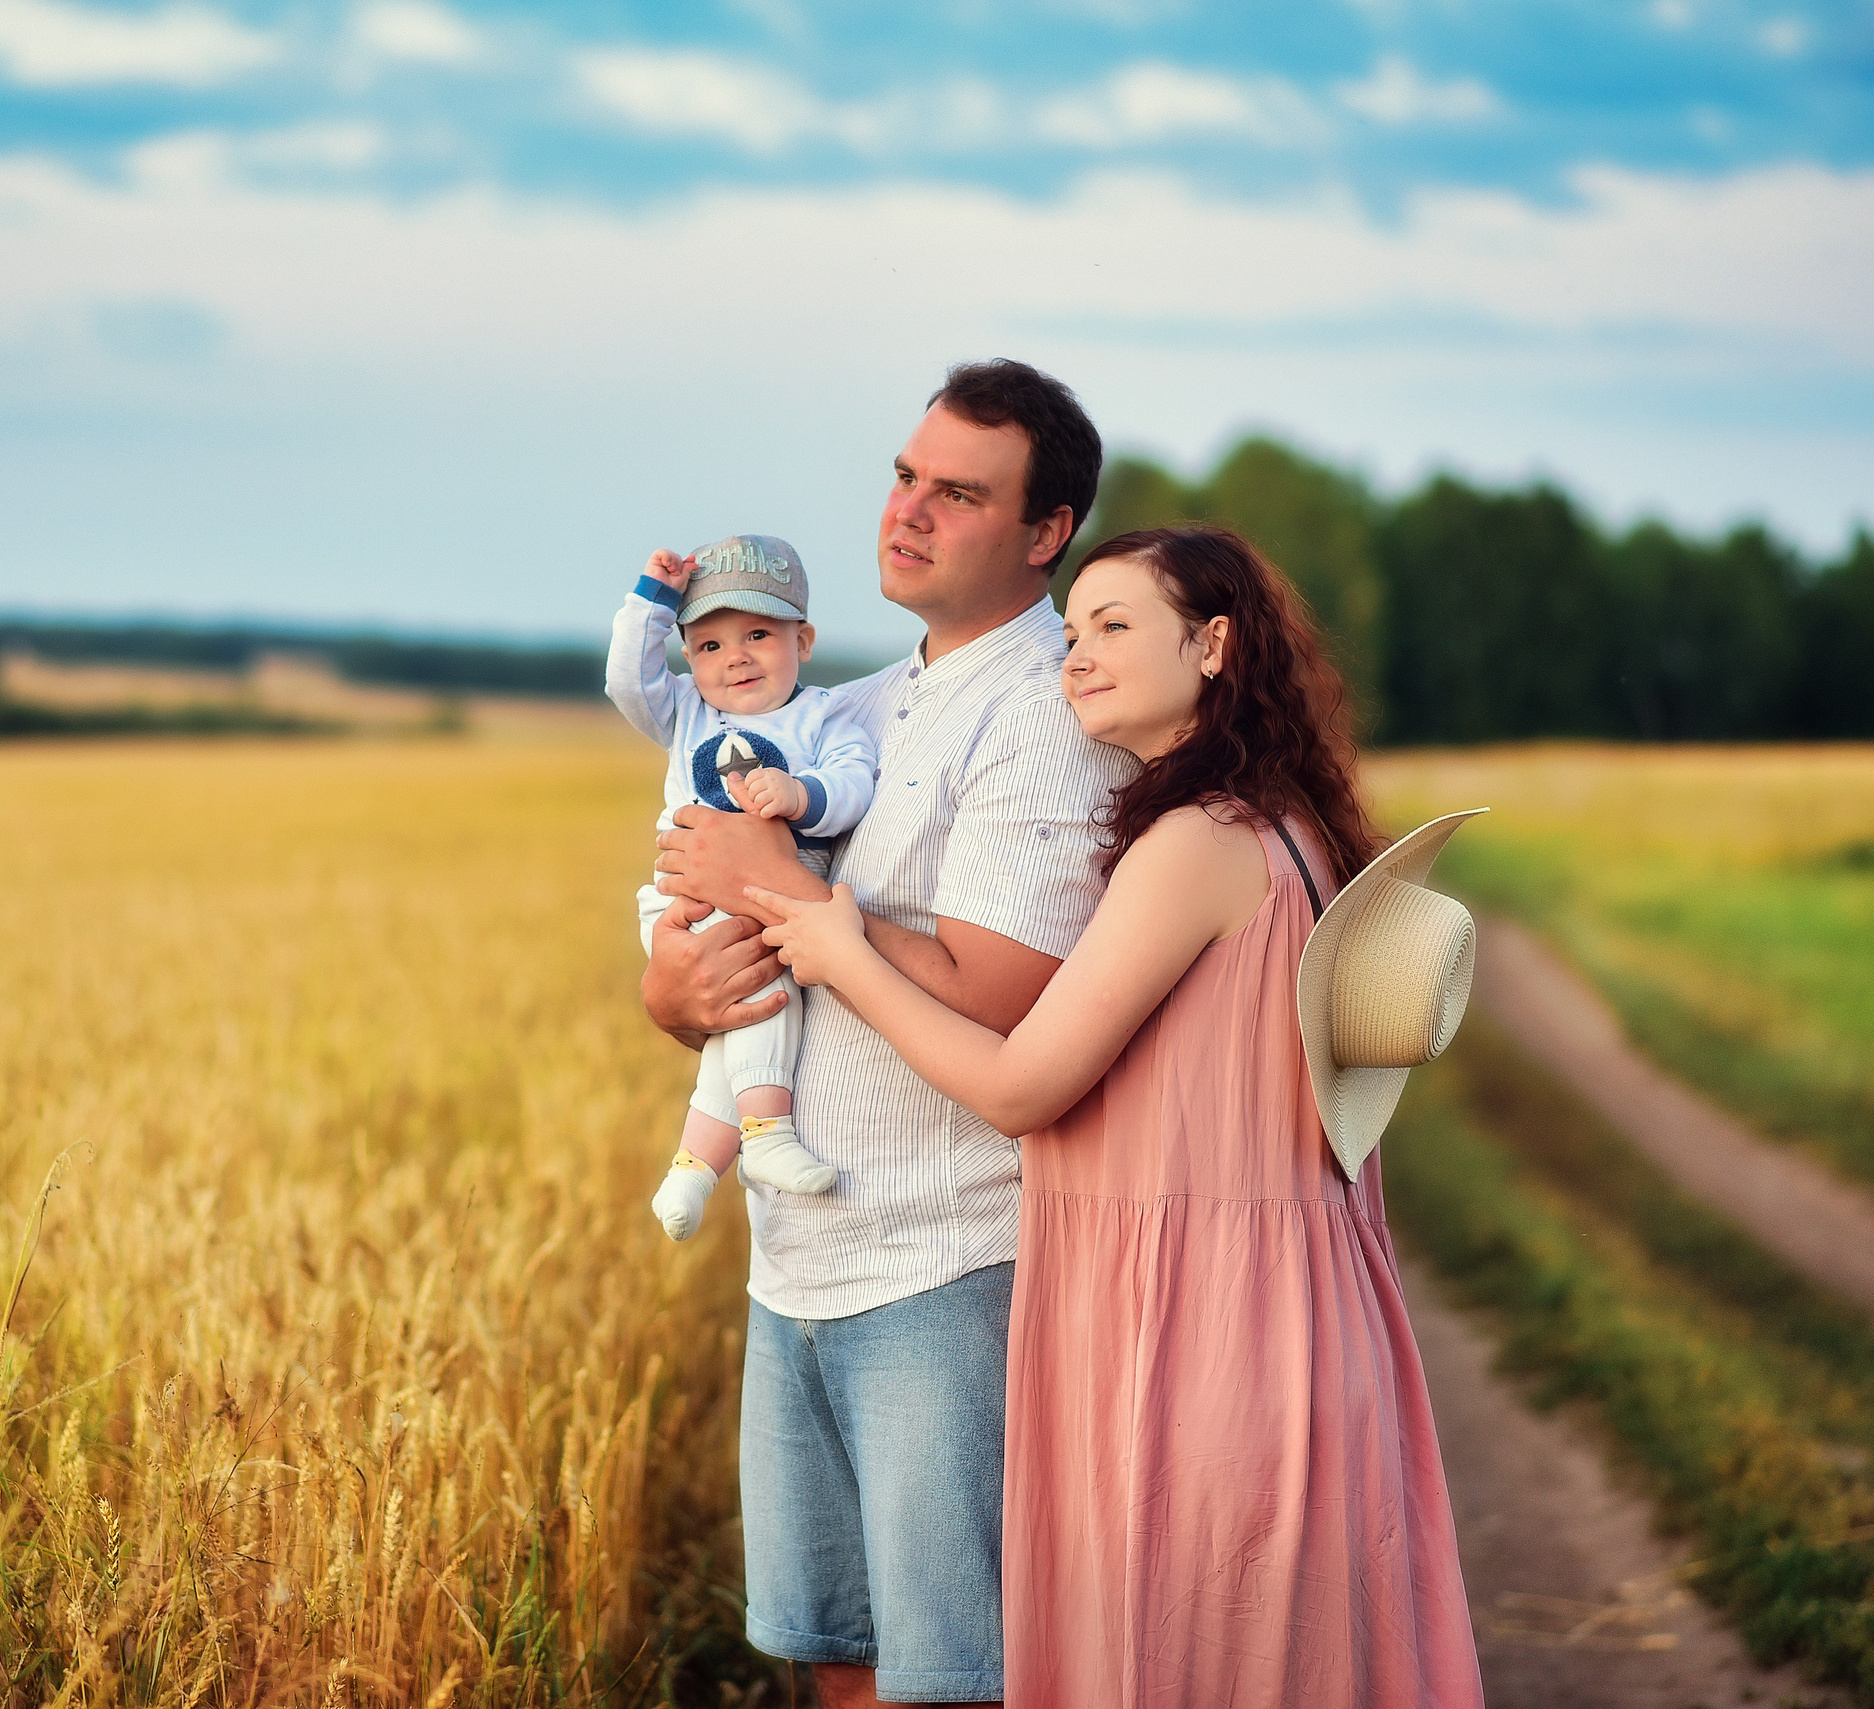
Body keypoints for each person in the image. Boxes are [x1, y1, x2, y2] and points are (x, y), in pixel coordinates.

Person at [747, 525, 1485, 1707]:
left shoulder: (1195, 844)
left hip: (1198, 1336)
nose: (1074, 656)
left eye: (1113, 626)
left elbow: (1019, 1085)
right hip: (1265, 1313)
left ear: (1212, 644)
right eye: (1073, 629)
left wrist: (841, 949)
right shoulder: (1281, 826)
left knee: (1183, 1662)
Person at [648, 361, 1131, 1705]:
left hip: (951, 1261)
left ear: (1046, 535)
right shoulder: (854, 707)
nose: (907, 511)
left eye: (958, 492)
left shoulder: (1049, 712)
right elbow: (713, 921)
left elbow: (997, 987)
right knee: (839, 1657)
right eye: (905, 475)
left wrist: (787, 890)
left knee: (953, 1679)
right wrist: (672, 992)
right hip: (797, 1258)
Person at [605, 534, 877, 1239]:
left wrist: (800, 792)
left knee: (745, 1011)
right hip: (686, 896)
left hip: (775, 889)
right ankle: (765, 1135)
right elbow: (628, 682)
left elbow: (854, 781)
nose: (738, 657)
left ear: (804, 638)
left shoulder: (824, 714)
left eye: (758, 633)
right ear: (689, 656)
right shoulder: (689, 709)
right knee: (764, 995)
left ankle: (694, 1167)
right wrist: (652, 602)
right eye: (711, 645)